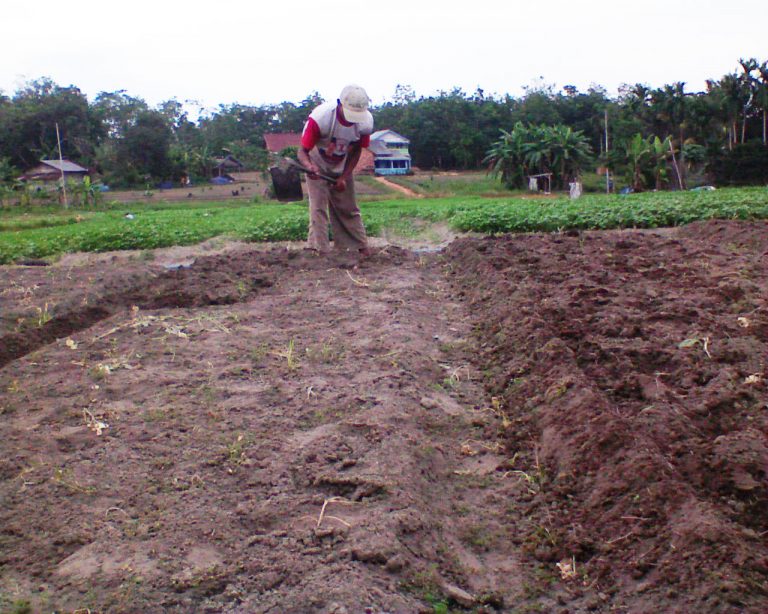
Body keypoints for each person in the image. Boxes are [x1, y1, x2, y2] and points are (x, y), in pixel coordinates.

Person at [297, 84, 374, 256]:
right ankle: (320, 250)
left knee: (348, 206)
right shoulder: (320, 118)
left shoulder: (365, 123)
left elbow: (356, 151)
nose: (352, 120)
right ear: (340, 104)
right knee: (318, 206)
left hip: (343, 161)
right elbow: (302, 151)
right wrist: (310, 167)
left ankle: (357, 246)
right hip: (317, 159)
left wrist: (344, 177)